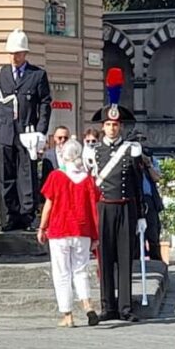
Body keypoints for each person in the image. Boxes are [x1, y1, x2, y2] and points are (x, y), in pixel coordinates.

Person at [0, 29, 52, 232]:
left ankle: (28, 215)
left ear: (25, 53)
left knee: (27, 175)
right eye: (11, 53)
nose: (14, 57)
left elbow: (45, 104)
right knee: (7, 175)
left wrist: (41, 131)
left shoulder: (37, 75)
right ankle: (10, 215)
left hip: (27, 132)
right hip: (5, 132)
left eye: (18, 53)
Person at [91, 69, 142, 323]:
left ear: (121, 126)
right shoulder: (94, 152)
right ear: (103, 127)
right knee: (106, 259)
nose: (112, 128)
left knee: (125, 258)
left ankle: (125, 307)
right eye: (108, 124)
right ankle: (107, 306)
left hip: (125, 208)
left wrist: (141, 215)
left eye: (116, 124)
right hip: (104, 208)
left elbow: (137, 183)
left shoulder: (131, 150)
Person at [37, 138, 100, 327]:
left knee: (62, 273)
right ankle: (88, 305)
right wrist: (95, 235)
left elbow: (49, 204)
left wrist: (42, 227)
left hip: (60, 229)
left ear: (65, 156)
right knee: (80, 271)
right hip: (82, 230)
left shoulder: (57, 176)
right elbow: (93, 207)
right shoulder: (88, 178)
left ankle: (68, 315)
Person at [134, 132, 164, 262]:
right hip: (135, 199)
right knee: (135, 234)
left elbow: (157, 177)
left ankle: (156, 261)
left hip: (149, 199)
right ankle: (135, 260)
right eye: (138, 140)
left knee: (153, 232)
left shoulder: (151, 159)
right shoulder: (130, 159)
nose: (141, 142)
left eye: (143, 139)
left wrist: (148, 164)